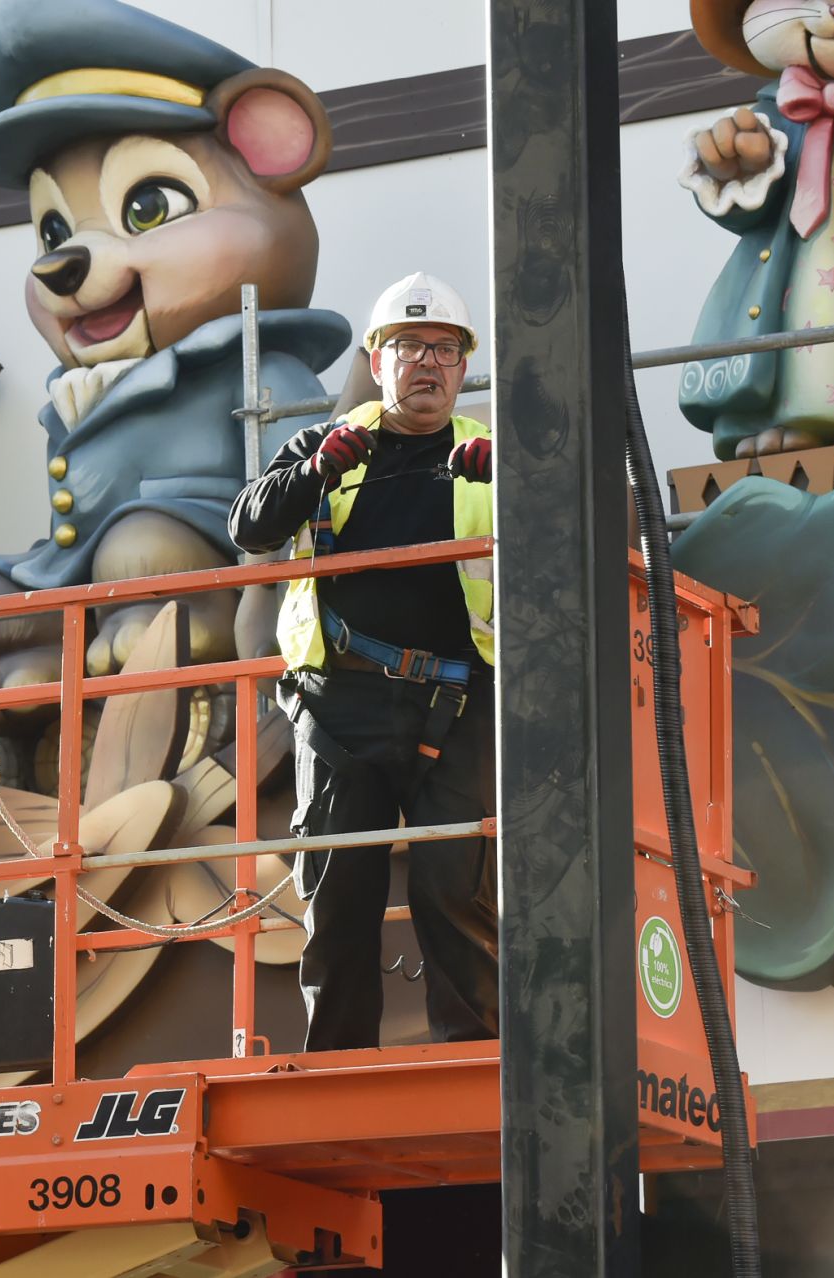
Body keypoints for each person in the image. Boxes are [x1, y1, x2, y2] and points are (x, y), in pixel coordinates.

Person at [227, 272, 498, 1052]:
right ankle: (339, 1065)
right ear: (377, 361)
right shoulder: (331, 446)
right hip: (341, 704)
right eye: (409, 346)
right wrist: (314, 470)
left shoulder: (489, 455)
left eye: (445, 349)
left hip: (459, 705)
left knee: (457, 891)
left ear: (462, 365)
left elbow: (573, 540)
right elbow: (249, 526)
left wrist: (514, 490)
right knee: (340, 896)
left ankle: (473, 1061)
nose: (428, 363)